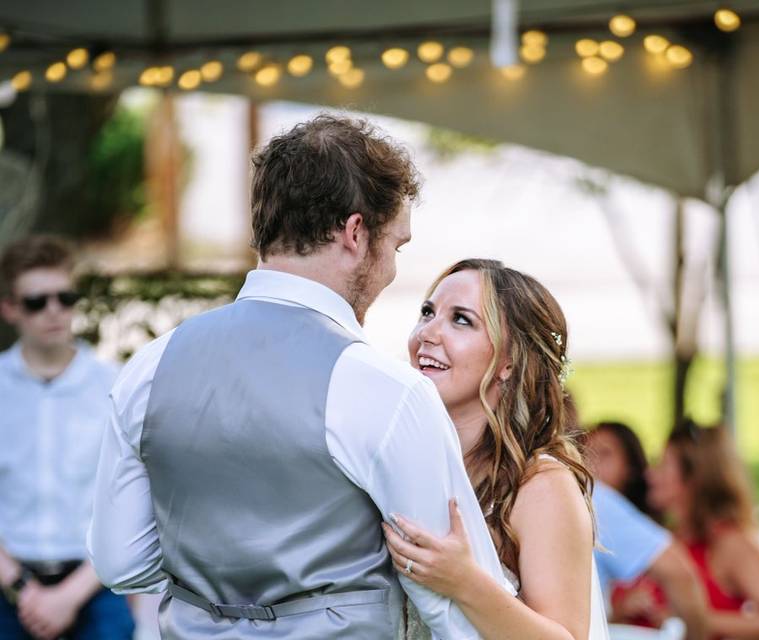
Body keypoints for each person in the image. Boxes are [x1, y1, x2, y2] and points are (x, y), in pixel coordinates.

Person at [87, 115, 512, 639]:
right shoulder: (386, 391)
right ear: (356, 233)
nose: (393, 269)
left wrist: (218, 593)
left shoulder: (149, 369)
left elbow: (120, 562)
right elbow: (451, 604)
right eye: (396, 246)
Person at [382, 259, 608, 639]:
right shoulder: (407, 463)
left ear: (507, 362)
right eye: (427, 312)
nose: (427, 333)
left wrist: (464, 582)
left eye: (461, 320)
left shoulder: (541, 485)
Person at [0, 235, 134, 640]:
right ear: (10, 309)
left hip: (94, 586)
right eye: (37, 302)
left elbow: (133, 501)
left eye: (65, 297)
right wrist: (23, 589)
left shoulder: (115, 386)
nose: (54, 311)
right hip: (9, 588)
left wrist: (70, 596)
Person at [642, 419, 759, 640]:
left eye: (663, 465)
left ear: (695, 477)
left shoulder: (730, 542)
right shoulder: (666, 536)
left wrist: (695, 619)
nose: (651, 474)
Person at [583, 423, 707, 639]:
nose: (590, 463)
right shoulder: (596, 501)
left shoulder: (596, 500)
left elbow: (680, 575)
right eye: (584, 451)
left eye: (604, 454)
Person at [585, 421, 662, 522]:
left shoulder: (643, 526)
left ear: (630, 467)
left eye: (604, 453)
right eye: (585, 453)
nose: (590, 461)